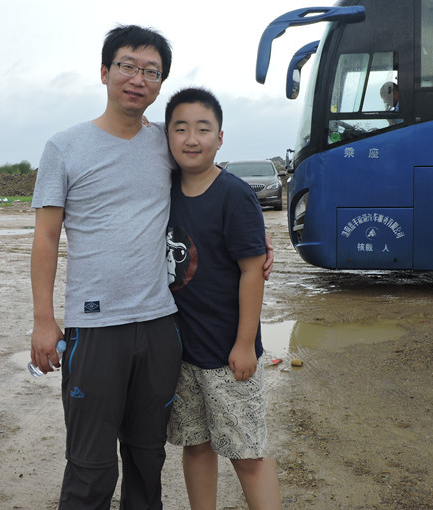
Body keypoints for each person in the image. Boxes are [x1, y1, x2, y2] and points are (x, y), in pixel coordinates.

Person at [30, 25, 274, 509]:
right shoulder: (65, 146)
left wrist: (258, 240)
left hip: (161, 328)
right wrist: (43, 318)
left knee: (148, 459)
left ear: (161, 83)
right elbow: (46, 237)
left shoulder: (165, 141)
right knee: (91, 465)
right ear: (105, 71)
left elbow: (209, 178)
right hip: (95, 328)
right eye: (127, 66)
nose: (138, 79)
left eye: (151, 71)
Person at [164, 87, 281, 510]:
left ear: (220, 137)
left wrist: (245, 343)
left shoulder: (234, 195)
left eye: (203, 128)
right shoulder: (163, 190)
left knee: (247, 454)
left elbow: (253, 270)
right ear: (167, 135)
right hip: (181, 352)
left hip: (227, 353)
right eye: (180, 129)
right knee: (195, 446)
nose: (191, 139)